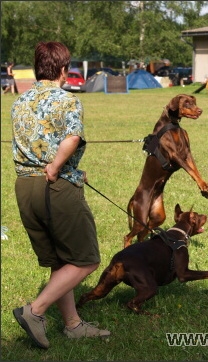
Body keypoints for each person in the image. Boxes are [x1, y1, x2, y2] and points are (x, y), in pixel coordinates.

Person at [11, 41, 110, 350]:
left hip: (25, 186)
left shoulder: (19, 100)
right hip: (54, 188)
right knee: (85, 260)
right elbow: (71, 137)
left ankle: (73, 324)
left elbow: (38, 143)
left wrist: (71, 170)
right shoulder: (67, 99)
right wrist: (56, 167)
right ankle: (35, 311)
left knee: (60, 259)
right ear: (64, 69)